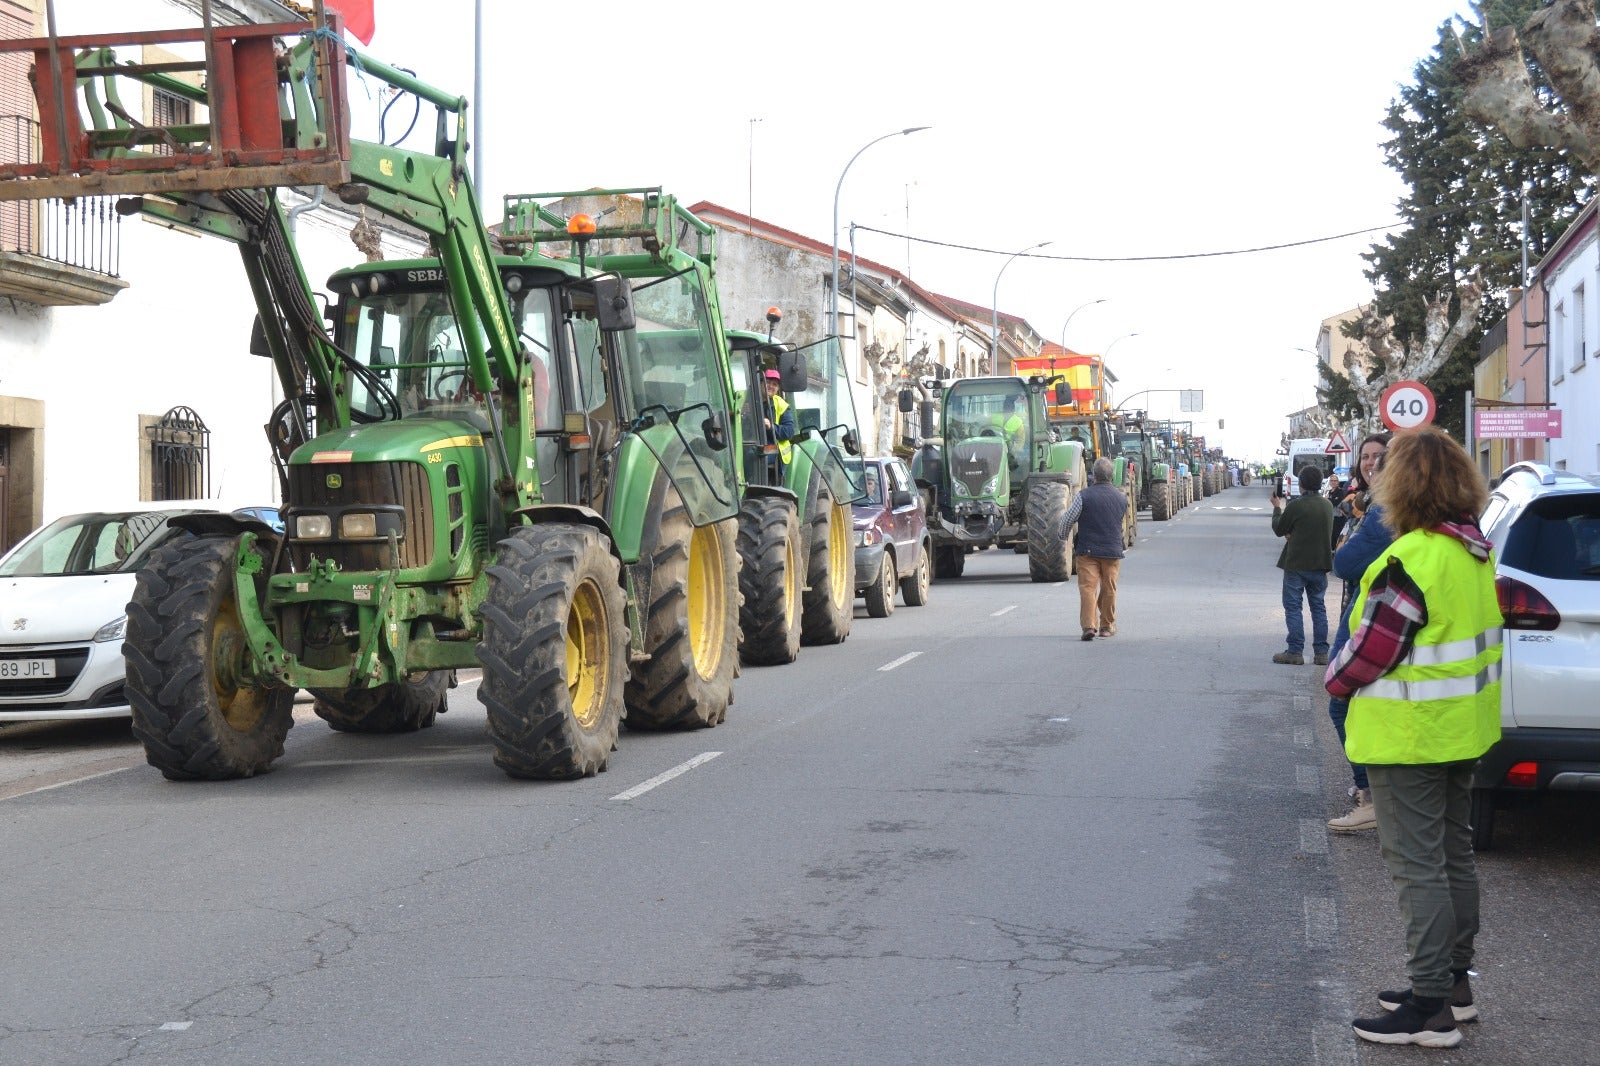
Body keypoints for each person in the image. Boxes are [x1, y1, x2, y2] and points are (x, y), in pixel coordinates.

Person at [1324, 426, 1502, 1048]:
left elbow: (1366, 657)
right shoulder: (1474, 549)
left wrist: (1334, 680)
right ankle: (1453, 985)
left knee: (1417, 868)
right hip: (1461, 732)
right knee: (1454, 856)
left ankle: (1429, 1011)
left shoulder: (1410, 561)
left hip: (1408, 738)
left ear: (1400, 487)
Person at [1325, 432, 1393, 831]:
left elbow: (1345, 562)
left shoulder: (1384, 511)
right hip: (1363, 606)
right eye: (1365, 457)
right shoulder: (1365, 506)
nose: (1370, 464)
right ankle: (1374, 790)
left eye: (1379, 457)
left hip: (1370, 611)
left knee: (1340, 696)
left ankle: (1371, 793)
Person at [1057, 456, 1128, 641]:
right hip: (1112, 551)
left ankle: (1089, 626)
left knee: (1088, 588)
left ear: (1093, 476)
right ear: (1111, 476)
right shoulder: (1121, 498)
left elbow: (1067, 520)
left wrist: (1062, 537)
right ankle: (1107, 626)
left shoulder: (1083, 496)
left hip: (1087, 551)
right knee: (1109, 588)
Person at [1270, 465, 1334, 665]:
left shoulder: (1296, 506)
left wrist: (1277, 507)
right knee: (1318, 607)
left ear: (1302, 484)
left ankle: (1295, 651)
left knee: (1293, 607)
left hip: (1297, 564)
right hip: (1320, 565)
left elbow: (1280, 529)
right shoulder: (1327, 505)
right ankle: (1322, 653)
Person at [762, 368, 795, 465]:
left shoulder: (782, 405)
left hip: (773, 446)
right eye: (767, 382)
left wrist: (770, 426)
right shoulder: (748, 399)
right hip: (752, 443)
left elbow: (789, 432)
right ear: (761, 383)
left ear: (778, 389)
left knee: (755, 454)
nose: (770, 386)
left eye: (774, 384)